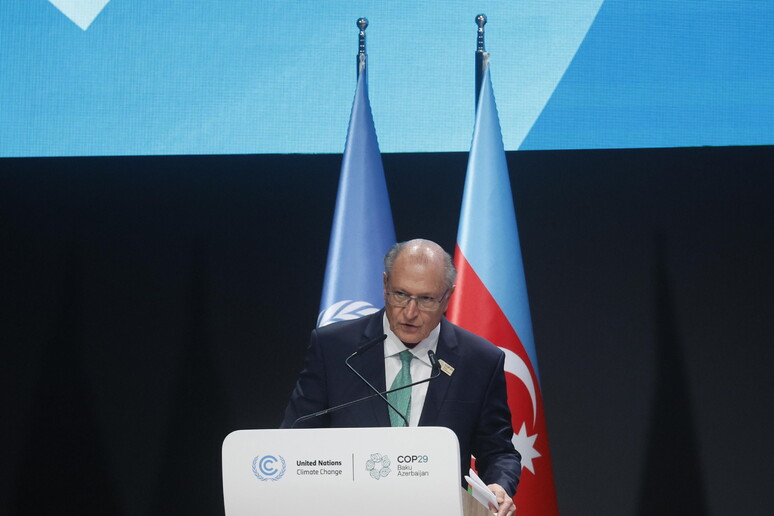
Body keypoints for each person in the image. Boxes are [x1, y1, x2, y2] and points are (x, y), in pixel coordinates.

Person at [282, 239, 520, 515]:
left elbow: (498, 450)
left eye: (426, 299)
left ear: (448, 297)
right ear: (384, 285)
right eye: (400, 294)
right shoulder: (334, 349)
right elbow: (295, 437)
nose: (410, 312)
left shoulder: (479, 360)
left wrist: (498, 485)